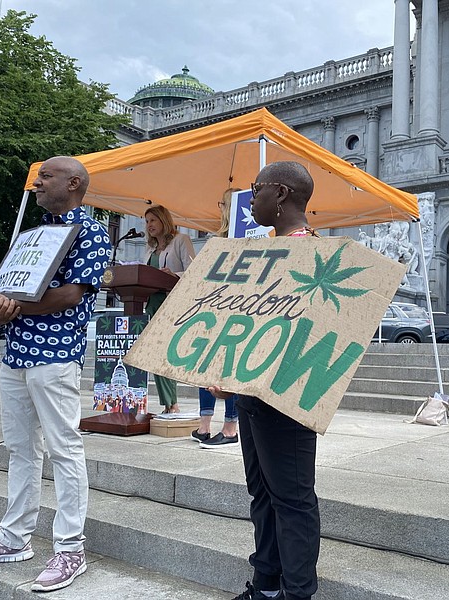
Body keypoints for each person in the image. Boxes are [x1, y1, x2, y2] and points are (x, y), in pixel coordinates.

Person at [0, 156, 111, 593]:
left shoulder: (92, 231)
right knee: (21, 449)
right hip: (17, 354)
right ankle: (13, 537)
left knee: (63, 448)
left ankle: (70, 548)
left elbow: (71, 295)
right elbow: (5, 288)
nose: (36, 183)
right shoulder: (34, 234)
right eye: (38, 178)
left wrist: (14, 307)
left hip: (55, 353)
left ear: (74, 183)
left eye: (46, 177)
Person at [209, 161, 320, 600]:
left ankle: (296, 593)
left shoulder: (311, 255)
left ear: (280, 194)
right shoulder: (264, 251)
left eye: (256, 190)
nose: (250, 200)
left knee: (291, 499)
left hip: (285, 397)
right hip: (252, 396)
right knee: (263, 495)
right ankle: (267, 584)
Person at [193, 189, 240, 448]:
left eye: (222, 203)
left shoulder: (241, 238)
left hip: (234, 310)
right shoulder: (216, 240)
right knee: (206, 368)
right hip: (214, 309)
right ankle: (204, 425)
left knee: (229, 370)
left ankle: (230, 428)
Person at [143, 204, 195, 413]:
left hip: (170, 304)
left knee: (164, 353)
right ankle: (168, 404)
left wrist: (173, 275)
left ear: (164, 220)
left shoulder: (181, 241)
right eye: (146, 222)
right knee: (155, 355)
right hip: (151, 303)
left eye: (153, 220)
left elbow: (194, 270)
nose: (149, 225)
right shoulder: (149, 249)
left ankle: (172, 404)